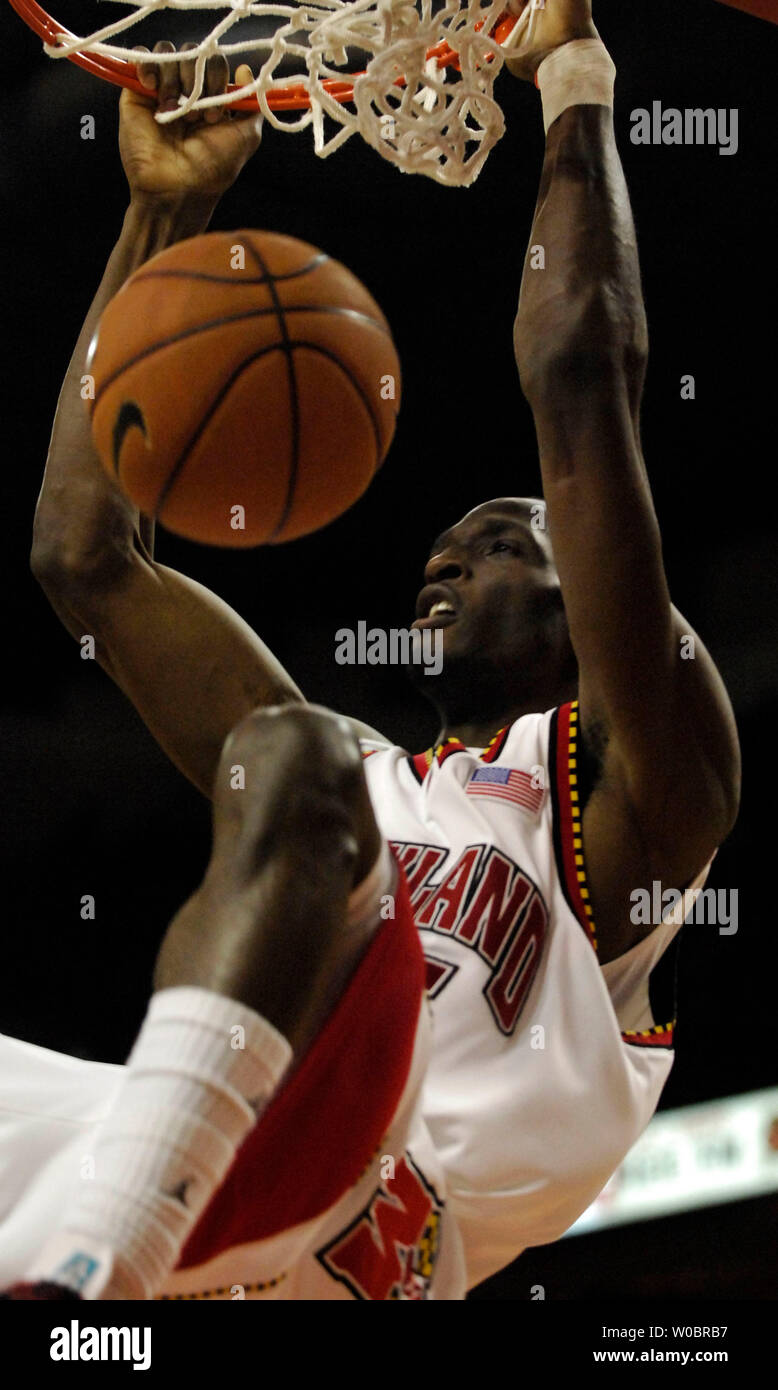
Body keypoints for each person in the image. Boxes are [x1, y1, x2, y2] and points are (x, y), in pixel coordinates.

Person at [2, 0, 739, 1300]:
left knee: (297, 750)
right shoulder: (361, 787)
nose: (443, 561)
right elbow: (85, 561)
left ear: (596, 605)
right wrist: (161, 215)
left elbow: (580, 379)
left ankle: (87, 1277)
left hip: (365, 1217)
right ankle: (93, 1266)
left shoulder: (633, 806)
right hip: (187, 1155)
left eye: (504, 540)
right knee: (305, 756)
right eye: (440, 549)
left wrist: (571, 72)